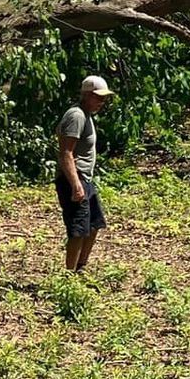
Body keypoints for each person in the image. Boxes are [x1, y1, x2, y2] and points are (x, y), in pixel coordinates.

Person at [56, 74, 114, 273]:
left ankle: (81, 267)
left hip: (85, 179)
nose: (101, 102)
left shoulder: (86, 116)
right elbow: (65, 152)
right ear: (86, 95)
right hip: (74, 179)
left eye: (104, 98)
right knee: (78, 229)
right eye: (98, 97)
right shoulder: (76, 116)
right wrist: (75, 184)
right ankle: (69, 274)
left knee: (94, 223)